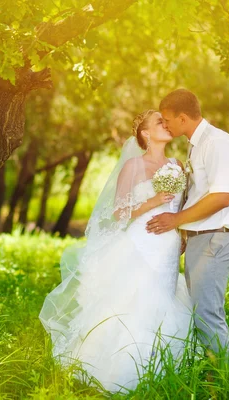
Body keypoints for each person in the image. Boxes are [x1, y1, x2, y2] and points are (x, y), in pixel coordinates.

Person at [39, 110, 193, 392]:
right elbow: (120, 212)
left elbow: (182, 207)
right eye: (159, 122)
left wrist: (182, 233)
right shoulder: (133, 166)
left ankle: (163, 371)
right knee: (139, 300)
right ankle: (124, 372)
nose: (166, 125)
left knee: (165, 298)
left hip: (169, 245)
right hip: (141, 241)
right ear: (146, 134)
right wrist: (153, 201)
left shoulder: (178, 165)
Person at [146, 89, 229, 370]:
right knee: (200, 313)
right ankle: (215, 376)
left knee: (207, 314)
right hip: (202, 238)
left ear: (183, 118)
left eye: (167, 120)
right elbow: (200, 194)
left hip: (215, 238)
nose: (165, 125)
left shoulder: (218, 143)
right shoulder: (196, 145)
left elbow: (222, 196)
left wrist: (176, 221)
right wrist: (186, 230)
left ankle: (225, 382)